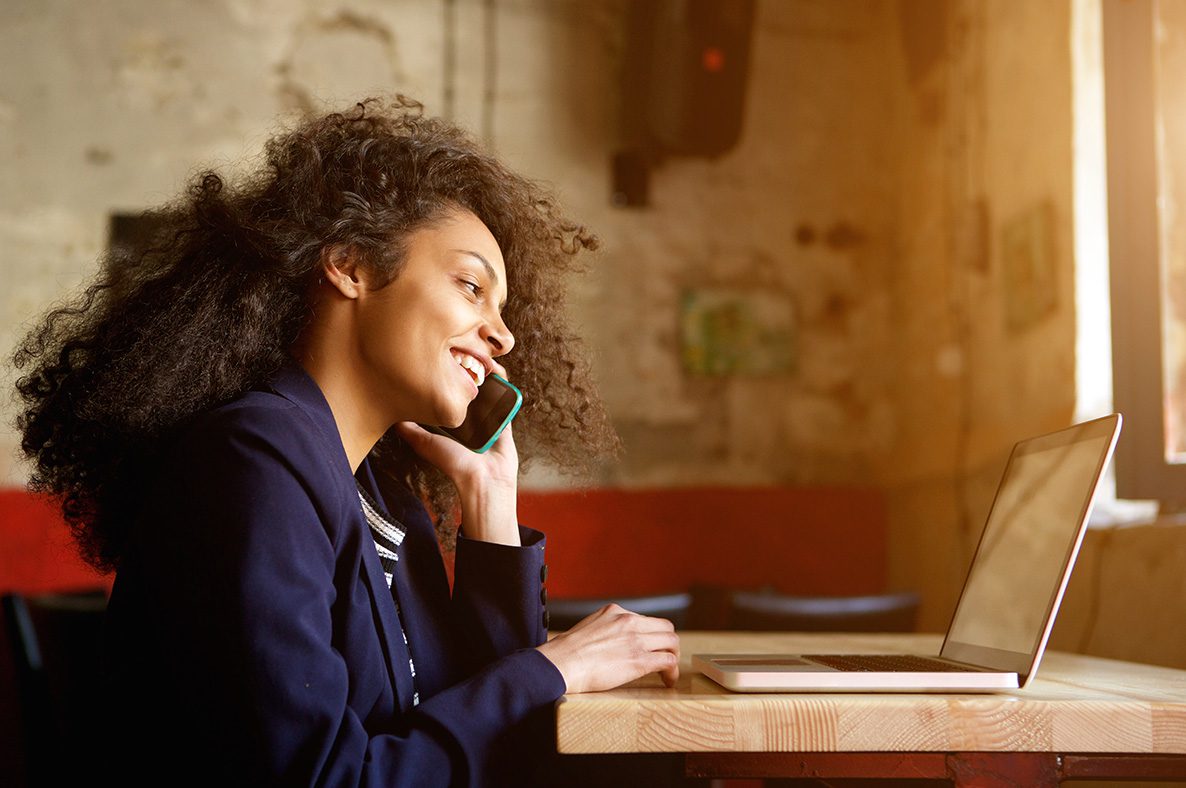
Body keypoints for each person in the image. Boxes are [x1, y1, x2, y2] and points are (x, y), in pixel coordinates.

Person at [11, 97, 680, 786]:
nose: (502, 336)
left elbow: (489, 743)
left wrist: (490, 496)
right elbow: (329, 778)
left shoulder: (376, 488)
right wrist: (552, 667)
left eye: (502, 310)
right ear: (351, 267)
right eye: (472, 286)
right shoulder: (253, 460)